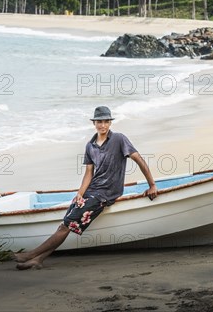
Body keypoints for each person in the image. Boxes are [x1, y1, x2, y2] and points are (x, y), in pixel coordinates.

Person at [14, 106, 158, 269]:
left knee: (67, 224)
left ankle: (31, 254)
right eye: (99, 121)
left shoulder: (119, 139)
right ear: (94, 123)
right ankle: (38, 260)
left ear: (110, 123)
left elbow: (139, 160)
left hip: (107, 193)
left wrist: (152, 184)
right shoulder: (90, 146)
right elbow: (89, 173)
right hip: (92, 190)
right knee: (66, 223)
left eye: (105, 121)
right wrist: (80, 193)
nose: (102, 125)